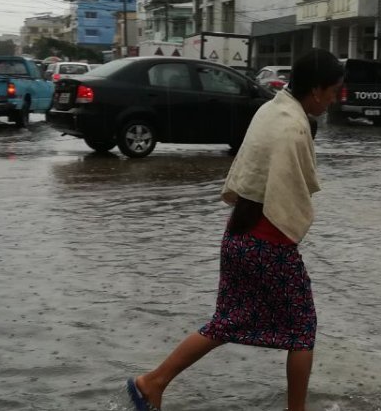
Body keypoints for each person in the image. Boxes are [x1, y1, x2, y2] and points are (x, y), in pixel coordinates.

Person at [128, 49, 345, 411]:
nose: (336, 98)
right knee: (303, 331)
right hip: (268, 245)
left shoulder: (272, 108)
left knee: (225, 323)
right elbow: (287, 198)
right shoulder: (293, 127)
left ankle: (153, 381)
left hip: (238, 238)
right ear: (318, 89)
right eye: (334, 90)